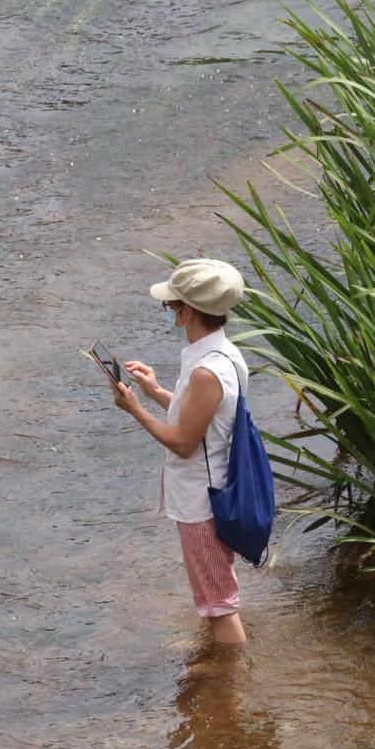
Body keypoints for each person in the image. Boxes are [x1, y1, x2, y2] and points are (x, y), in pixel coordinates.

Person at [111, 258, 251, 645]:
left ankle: (229, 686)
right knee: (216, 591)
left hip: (201, 501)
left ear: (187, 312)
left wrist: (135, 409)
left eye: (171, 306)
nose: (171, 312)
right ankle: (226, 673)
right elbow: (204, 417)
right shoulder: (224, 355)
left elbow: (184, 442)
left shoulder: (207, 371)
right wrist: (154, 391)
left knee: (218, 603)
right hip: (217, 487)